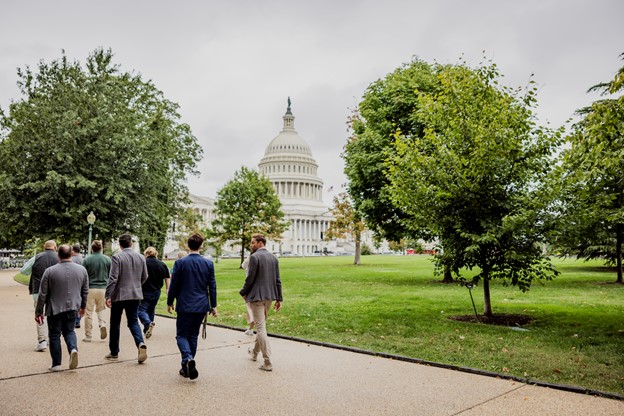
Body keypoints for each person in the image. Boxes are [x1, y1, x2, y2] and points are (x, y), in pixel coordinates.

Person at [167, 233, 217, 380]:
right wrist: (213, 305)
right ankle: (187, 366)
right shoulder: (208, 263)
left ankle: (187, 359)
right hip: (201, 305)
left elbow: (174, 285)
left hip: (185, 304)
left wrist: (170, 302)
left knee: (182, 335)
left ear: (188, 246)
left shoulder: (180, 263)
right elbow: (212, 286)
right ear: (201, 246)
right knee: (193, 335)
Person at [35, 244, 88, 371]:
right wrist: (83, 306)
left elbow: (42, 294)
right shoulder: (82, 270)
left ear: (58, 255)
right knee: (69, 331)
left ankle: (56, 363)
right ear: (71, 254)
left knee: (54, 335)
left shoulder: (49, 271)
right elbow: (85, 291)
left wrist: (38, 311)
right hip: (73, 306)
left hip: (54, 308)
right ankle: (73, 349)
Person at [240, 233, 282, 371]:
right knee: (261, 325)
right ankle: (254, 352)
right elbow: (277, 280)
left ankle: (267, 361)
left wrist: (243, 292)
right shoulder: (273, 258)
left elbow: (249, 279)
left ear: (260, 243)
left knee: (260, 328)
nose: (251, 245)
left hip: (257, 297)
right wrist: (279, 298)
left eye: (253, 243)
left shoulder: (255, 257)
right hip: (269, 297)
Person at [105, 234, 148, 363]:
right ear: (131, 243)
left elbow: (113, 278)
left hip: (119, 295)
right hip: (135, 294)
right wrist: (136, 285)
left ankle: (114, 351)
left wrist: (108, 295)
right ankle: (140, 343)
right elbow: (145, 275)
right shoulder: (141, 257)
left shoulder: (117, 257)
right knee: (133, 321)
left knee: (115, 323)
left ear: (120, 244)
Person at [29, 240, 59, 352]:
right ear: (55, 247)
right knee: (54, 314)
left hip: (38, 290)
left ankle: (42, 341)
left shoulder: (37, 257)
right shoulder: (59, 257)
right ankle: (53, 338)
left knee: (40, 314)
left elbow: (24, 270)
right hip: (55, 291)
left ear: (44, 247)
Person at [81, 240, 111, 342]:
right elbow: (111, 275)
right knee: (101, 309)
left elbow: (83, 276)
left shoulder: (86, 260)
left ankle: (88, 336)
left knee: (88, 312)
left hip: (90, 288)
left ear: (92, 248)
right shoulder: (107, 259)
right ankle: (102, 324)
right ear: (101, 248)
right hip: (103, 288)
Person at [138, 247, 170, 339]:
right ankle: (147, 329)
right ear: (156, 254)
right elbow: (167, 277)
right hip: (156, 291)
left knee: (140, 310)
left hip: (144, 291)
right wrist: (168, 289)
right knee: (151, 310)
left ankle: (148, 324)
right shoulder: (162, 264)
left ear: (146, 254)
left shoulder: (143, 263)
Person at [240, 256, 256, 336]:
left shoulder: (250, 259)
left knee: (249, 306)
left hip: (249, 287)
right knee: (251, 307)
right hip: (256, 287)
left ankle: (251, 326)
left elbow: (243, 265)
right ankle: (251, 328)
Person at [71, 244, 83, 328]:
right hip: (81, 282)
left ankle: (73, 320)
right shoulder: (82, 259)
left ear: (73, 250)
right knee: (79, 300)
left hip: (73, 282)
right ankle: (78, 320)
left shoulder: (71, 259)